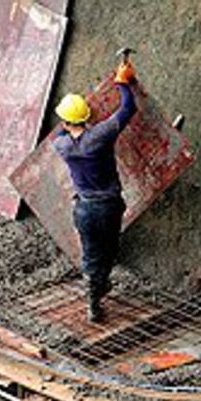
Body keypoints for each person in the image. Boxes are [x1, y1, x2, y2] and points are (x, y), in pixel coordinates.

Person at [51, 58, 138, 323]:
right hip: (109, 207)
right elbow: (127, 109)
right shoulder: (100, 136)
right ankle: (100, 285)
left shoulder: (61, 145)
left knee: (90, 254)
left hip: (84, 209)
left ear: (66, 122)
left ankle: (94, 296)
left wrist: (71, 122)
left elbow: (64, 131)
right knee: (109, 249)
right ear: (87, 117)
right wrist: (123, 82)